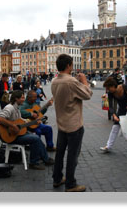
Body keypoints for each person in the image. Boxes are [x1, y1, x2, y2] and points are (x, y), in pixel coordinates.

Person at [51, 54, 92, 192]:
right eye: (72, 64)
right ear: (69, 65)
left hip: (61, 124)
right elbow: (88, 95)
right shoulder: (71, 82)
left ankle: (57, 178)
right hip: (74, 125)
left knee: (60, 153)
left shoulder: (54, 81)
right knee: (72, 155)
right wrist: (84, 81)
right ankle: (70, 184)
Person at [0, 90, 54, 170]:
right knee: (35, 139)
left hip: (17, 133)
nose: (24, 99)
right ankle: (34, 162)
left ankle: (45, 159)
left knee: (37, 139)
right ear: (16, 99)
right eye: (22, 97)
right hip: (10, 136)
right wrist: (13, 126)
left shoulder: (16, 107)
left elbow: (20, 120)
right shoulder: (9, 108)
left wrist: (33, 122)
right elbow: (0, 118)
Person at [99, 77, 127, 157]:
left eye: (108, 88)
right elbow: (111, 106)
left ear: (113, 86)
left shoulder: (125, 87)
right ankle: (108, 146)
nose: (108, 90)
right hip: (122, 110)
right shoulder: (110, 93)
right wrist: (113, 115)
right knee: (115, 127)